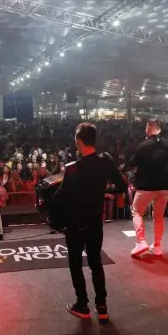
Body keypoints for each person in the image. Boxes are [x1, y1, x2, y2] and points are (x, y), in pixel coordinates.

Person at [52, 123, 127, 321]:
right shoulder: (106, 161)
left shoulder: (73, 169)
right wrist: (104, 191)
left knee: (76, 263)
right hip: (95, 221)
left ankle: (82, 305)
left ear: (79, 141)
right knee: (95, 262)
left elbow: (60, 196)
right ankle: (102, 307)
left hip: (75, 223)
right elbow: (121, 185)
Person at [128, 118, 168, 257]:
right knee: (158, 216)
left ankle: (141, 242)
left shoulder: (143, 146)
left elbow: (132, 163)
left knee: (137, 211)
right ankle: (157, 246)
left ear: (148, 128)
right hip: (165, 186)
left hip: (146, 186)